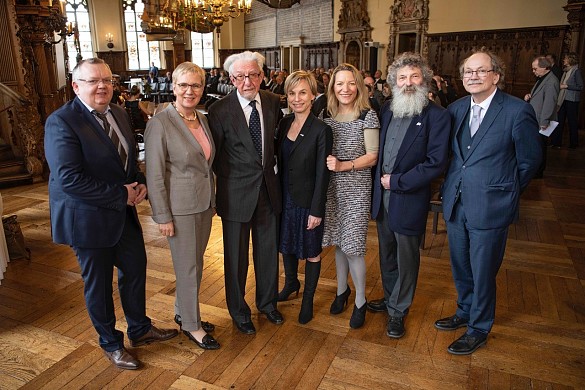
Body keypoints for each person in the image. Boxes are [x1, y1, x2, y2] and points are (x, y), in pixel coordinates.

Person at [44, 58, 178, 370]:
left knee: (135, 270)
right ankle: (111, 343)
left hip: (122, 214)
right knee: (99, 285)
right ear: (76, 86)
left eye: (106, 80)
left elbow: (126, 161)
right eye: (93, 81)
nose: (102, 86)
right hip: (87, 220)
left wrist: (140, 182)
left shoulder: (117, 111)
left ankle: (140, 329)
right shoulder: (61, 121)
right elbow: (68, 179)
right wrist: (122, 194)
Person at [436, 49, 541, 355]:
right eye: (469, 71)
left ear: (496, 75)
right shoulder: (455, 109)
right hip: (456, 201)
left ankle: (479, 327)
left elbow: (530, 160)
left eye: (481, 71)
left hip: (491, 205)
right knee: (460, 264)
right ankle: (465, 310)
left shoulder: (515, 111)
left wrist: (505, 191)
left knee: (483, 270)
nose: (473, 76)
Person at [368, 52, 450, 339]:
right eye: (402, 78)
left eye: (414, 76)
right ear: (393, 83)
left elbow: (436, 163)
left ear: (425, 81)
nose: (408, 83)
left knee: (406, 258)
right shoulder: (388, 110)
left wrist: (398, 181)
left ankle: (399, 311)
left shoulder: (437, 117)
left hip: (408, 198)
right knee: (387, 253)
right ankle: (391, 298)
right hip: (383, 199)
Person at [145, 62, 220, 350]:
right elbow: (154, 174)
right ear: (173, 87)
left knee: (195, 264)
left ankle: (182, 311)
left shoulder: (202, 118)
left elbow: (205, 165)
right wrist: (162, 215)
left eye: (196, 85)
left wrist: (212, 200)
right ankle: (192, 325)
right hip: (179, 209)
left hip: (203, 205)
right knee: (188, 267)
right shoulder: (160, 123)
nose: (190, 91)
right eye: (184, 85)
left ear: (203, 88)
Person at [208, 51, 284, 335]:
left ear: (262, 75)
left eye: (253, 74)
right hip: (235, 194)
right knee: (236, 258)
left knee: (267, 253)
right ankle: (239, 312)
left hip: (267, 192)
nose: (247, 81)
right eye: (240, 76)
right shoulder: (219, 110)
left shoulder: (273, 103)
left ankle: (267, 303)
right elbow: (215, 156)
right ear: (231, 79)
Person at [321, 63, 380, 329]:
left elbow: (373, 156)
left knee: (354, 245)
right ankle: (341, 291)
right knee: (337, 240)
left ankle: (360, 300)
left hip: (355, 185)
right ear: (333, 87)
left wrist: (345, 165)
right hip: (332, 186)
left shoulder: (367, 115)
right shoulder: (326, 114)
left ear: (359, 86)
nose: (345, 89)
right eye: (339, 83)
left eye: (351, 83)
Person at [276, 70, 333, 324]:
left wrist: (317, 210)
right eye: (291, 93)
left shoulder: (322, 129)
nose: (297, 98)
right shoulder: (284, 123)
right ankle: (291, 283)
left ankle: (308, 299)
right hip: (284, 197)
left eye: (302, 93)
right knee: (285, 244)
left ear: (312, 95)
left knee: (311, 251)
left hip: (308, 201)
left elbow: (323, 174)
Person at [524, 56, 559, 178]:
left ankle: (539, 172)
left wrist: (544, 122)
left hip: (542, 121)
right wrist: (530, 95)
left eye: (535, 69)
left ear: (544, 67)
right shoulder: (543, 78)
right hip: (536, 118)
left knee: (540, 147)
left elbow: (550, 103)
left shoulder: (552, 81)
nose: (533, 71)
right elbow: (540, 95)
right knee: (536, 146)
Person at [551, 52, 583, 149]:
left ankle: (574, 144)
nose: (563, 60)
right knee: (559, 120)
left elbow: (580, 86)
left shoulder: (576, 71)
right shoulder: (565, 71)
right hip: (562, 99)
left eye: (565, 58)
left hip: (572, 100)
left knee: (572, 122)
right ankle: (556, 143)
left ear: (570, 60)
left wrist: (566, 86)